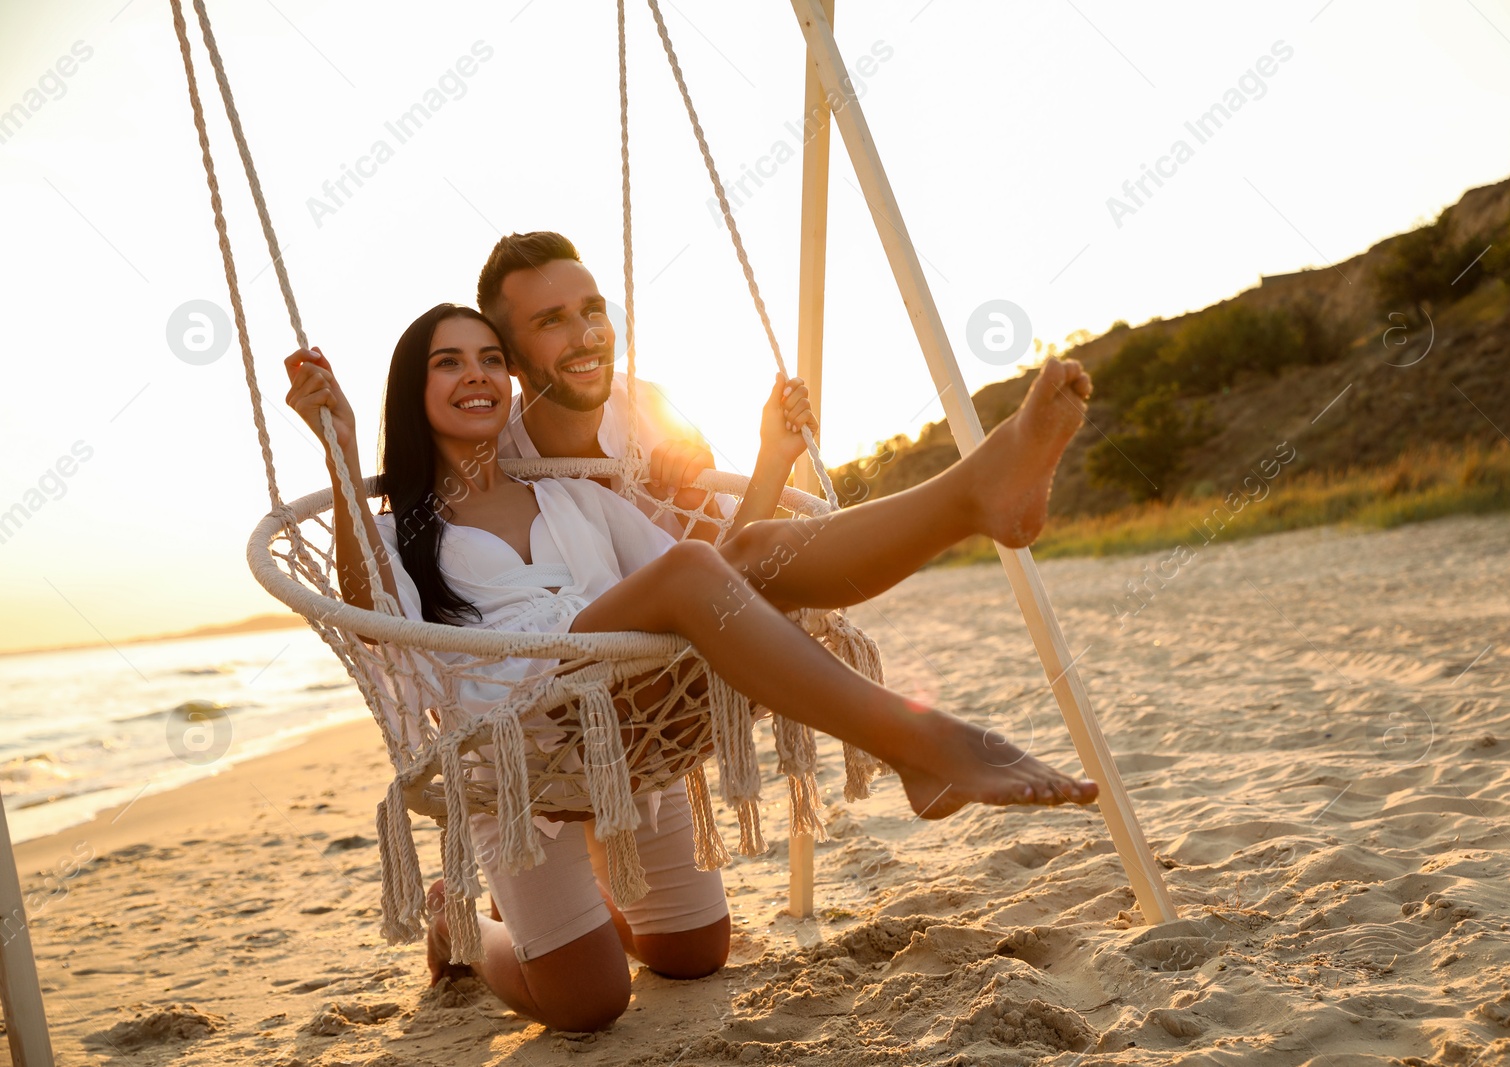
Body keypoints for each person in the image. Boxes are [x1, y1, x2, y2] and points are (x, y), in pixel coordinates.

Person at [283, 303, 1099, 1032]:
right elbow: (374, 619)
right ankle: (458, 924)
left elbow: (721, 583)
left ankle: (970, 499)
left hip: (631, 727)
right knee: (586, 1002)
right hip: (520, 752)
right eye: (449, 361)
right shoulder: (398, 531)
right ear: (409, 391)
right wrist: (340, 452)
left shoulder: (577, 497)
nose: (478, 375)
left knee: (693, 953)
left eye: (492, 358)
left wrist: (770, 459)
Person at [476, 230, 784, 540]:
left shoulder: (661, 414)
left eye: (592, 311)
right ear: (508, 358)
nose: (588, 336)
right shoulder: (488, 465)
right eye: (551, 321)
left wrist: (703, 511)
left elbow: (743, 567)